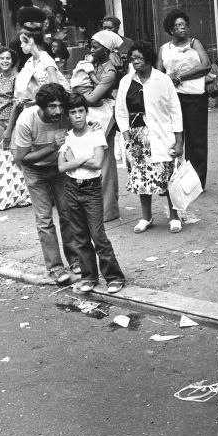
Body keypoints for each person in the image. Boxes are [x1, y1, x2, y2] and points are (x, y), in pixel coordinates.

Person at [59, 93, 126, 295]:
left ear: (86, 112)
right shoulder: (67, 137)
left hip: (91, 188)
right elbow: (62, 167)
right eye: (73, 112)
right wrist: (83, 158)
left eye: (81, 111)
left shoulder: (96, 133)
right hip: (72, 188)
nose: (78, 116)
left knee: (98, 235)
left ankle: (114, 276)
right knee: (80, 235)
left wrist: (76, 159)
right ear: (68, 115)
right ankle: (89, 275)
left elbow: (97, 163)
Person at [115, 41, 185, 234]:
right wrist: (126, 133)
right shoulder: (126, 81)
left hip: (162, 136)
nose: (135, 62)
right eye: (132, 58)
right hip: (137, 140)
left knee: (168, 177)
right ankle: (146, 217)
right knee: (141, 179)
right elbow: (120, 111)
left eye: (139, 58)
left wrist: (179, 141)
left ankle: (174, 216)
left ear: (148, 59)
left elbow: (175, 111)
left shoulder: (162, 80)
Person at [12, 83, 78, 284]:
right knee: (44, 219)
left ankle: (75, 259)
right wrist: (52, 147)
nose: (57, 111)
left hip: (59, 169)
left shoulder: (65, 115)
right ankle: (55, 267)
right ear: (42, 106)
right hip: (35, 171)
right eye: (52, 107)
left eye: (60, 106)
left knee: (68, 214)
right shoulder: (26, 121)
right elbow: (23, 158)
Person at [69, 30, 125, 222]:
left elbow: (92, 99)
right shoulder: (96, 65)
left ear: (107, 48)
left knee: (106, 164)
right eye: (91, 46)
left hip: (104, 119)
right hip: (95, 119)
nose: (92, 50)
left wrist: (75, 91)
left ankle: (108, 210)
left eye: (96, 47)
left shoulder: (110, 71)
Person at [157, 10, 211, 190]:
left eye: (184, 25)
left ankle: (196, 183)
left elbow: (205, 65)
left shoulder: (195, 43)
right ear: (170, 30)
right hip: (173, 99)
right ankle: (174, 180)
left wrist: (180, 76)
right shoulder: (164, 49)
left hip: (195, 98)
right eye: (177, 26)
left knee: (197, 140)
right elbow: (159, 74)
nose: (182, 28)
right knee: (173, 139)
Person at [2, 30, 66, 150]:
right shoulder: (30, 62)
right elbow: (19, 98)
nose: (21, 45)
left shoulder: (47, 61)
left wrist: (38, 100)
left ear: (30, 41)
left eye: (22, 42)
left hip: (45, 118)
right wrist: (9, 129)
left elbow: (56, 91)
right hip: (28, 115)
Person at [0, 47, 17, 148]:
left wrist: (10, 127)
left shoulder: (17, 78)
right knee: (3, 153)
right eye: (2, 58)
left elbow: (17, 103)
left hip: (12, 120)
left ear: (12, 61)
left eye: (8, 58)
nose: (5, 61)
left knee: (14, 150)